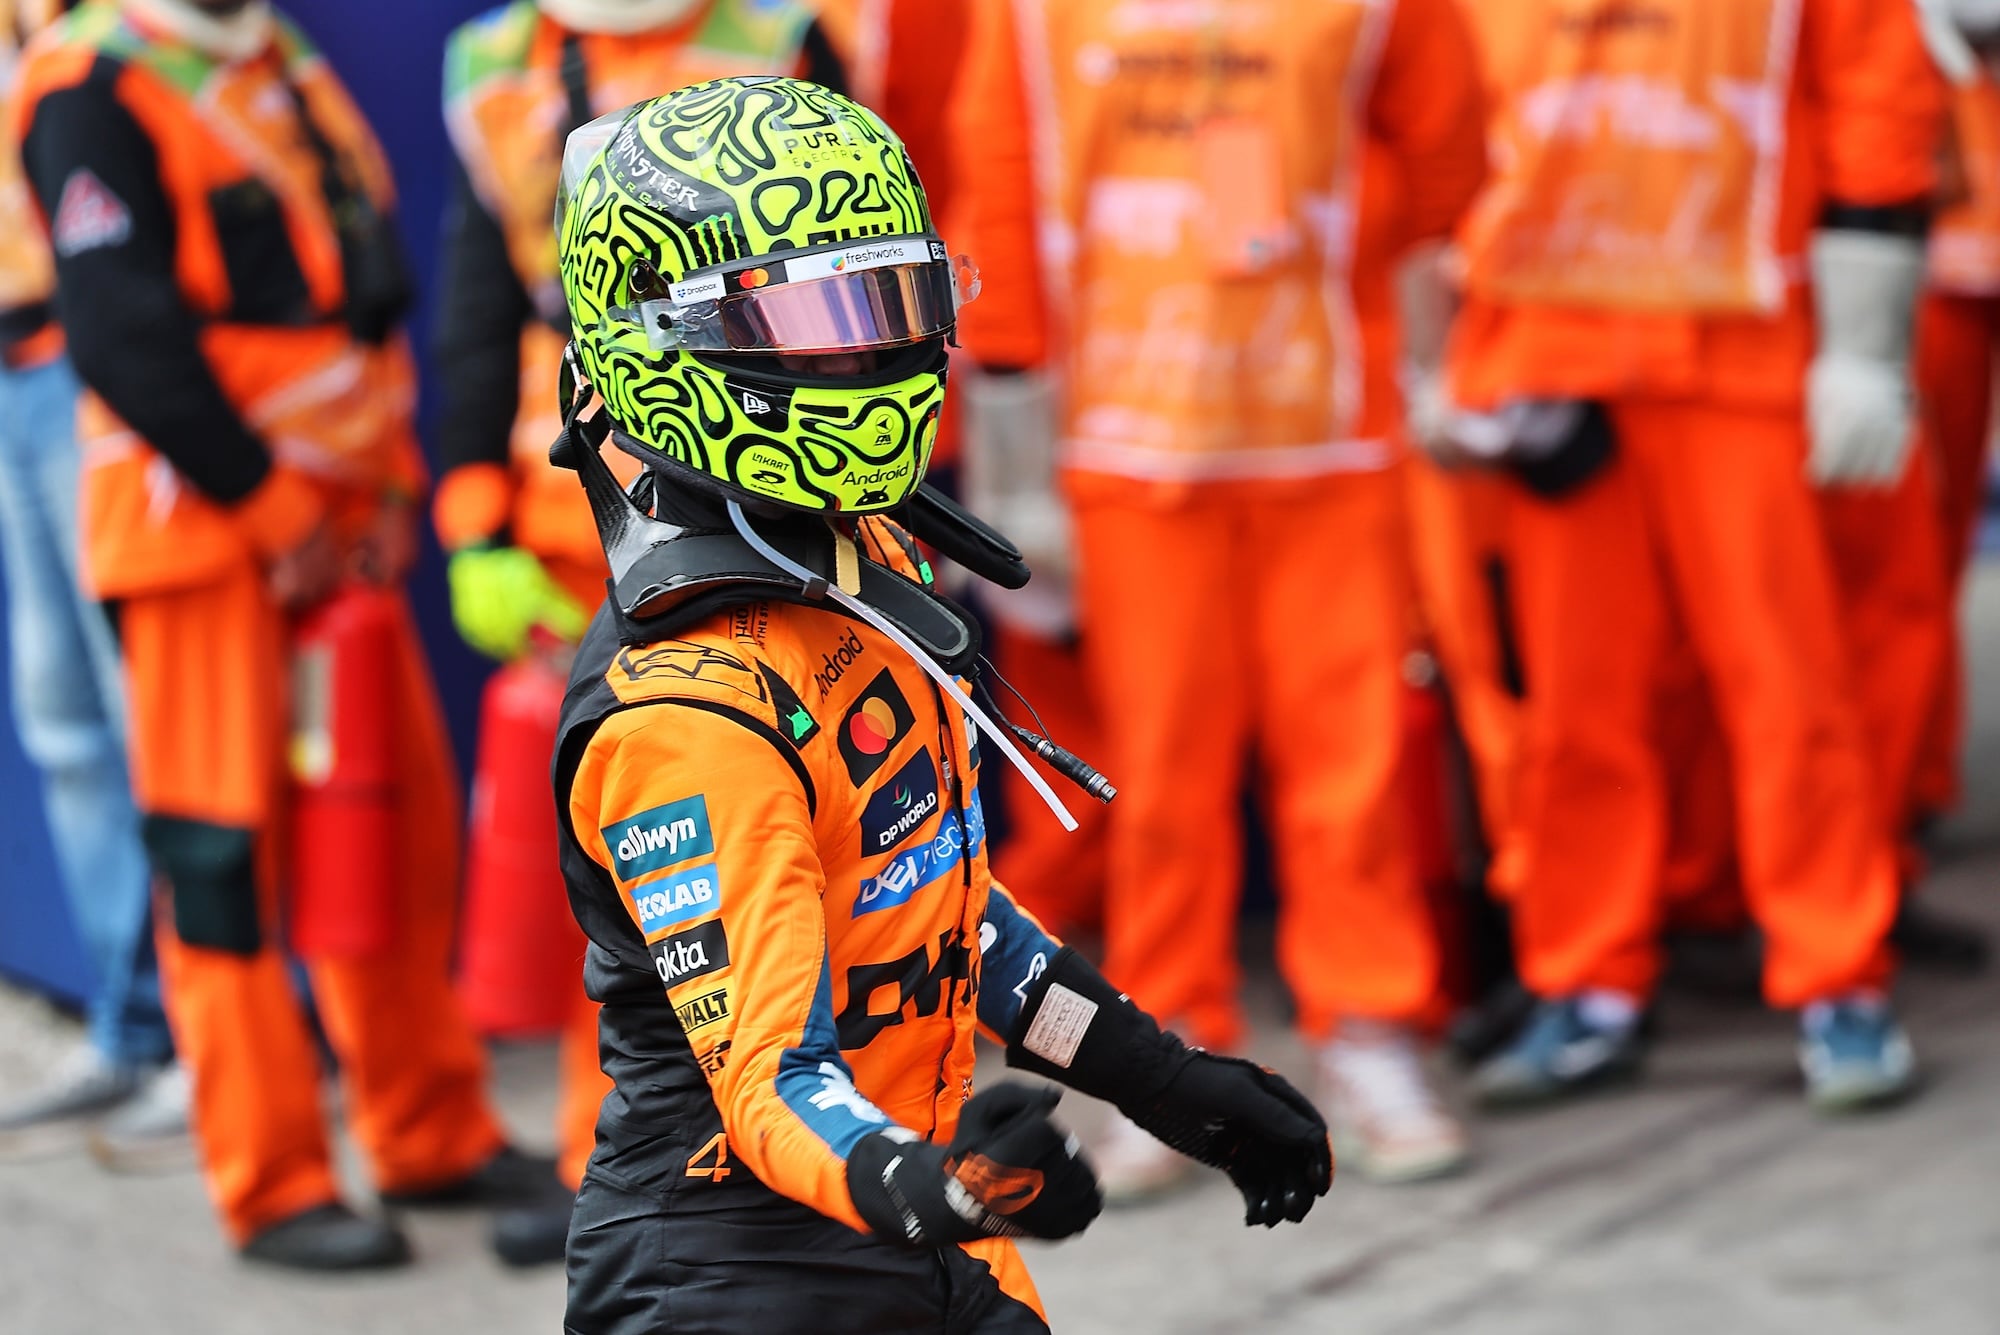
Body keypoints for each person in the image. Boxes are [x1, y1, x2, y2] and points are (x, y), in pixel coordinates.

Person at [547, 77, 1331, 1333]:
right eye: (819, 320)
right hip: (734, 1274)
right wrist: (942, 1187)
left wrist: (1162, 1079)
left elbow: (931, 912)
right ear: (665, 342)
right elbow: (770, 1079)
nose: (870, 356)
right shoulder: (690, 719)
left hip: (908, 1230)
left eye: (890, 304)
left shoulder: (860, 567)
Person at [15, 0, 550, 1269]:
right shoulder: (88, 80)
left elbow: (352, 292)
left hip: (342, 539)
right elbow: (119, 331)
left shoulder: (265, 48)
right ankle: (271, 1182)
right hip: (203, 539)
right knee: (220, 865)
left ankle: (429, 1129)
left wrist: (375, 503)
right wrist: (272, 510)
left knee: (391, 829)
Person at [948, 0, 1488, 1191]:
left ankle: (1366, 1028)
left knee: (1348, 764)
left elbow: (1446, 148)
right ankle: (1166, 1059)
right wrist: (1017, 465)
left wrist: (1401, 320)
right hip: (1132, 444)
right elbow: (1001, 189)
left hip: (1328, 430)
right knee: (1160, 775)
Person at [1446, 0, 1946, 1112]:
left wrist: (1864, 343)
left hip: (1739, 342)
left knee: (1787, 685)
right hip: (1556, 352)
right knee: (1576, 703)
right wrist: (1447, 356)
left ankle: (1835, 977)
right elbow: (1426, 116)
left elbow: (1872, 89)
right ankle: (1585, 978)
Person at [433, 0, 858, 1268]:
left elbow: (870, 279)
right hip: (575, 512)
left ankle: (803, 1138)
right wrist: (473, 525)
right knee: (628, 875)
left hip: (768, 498)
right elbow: (475, 303)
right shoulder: (494, 65)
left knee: (791, 838)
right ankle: (609, 1164)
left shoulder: (784, 34)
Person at [0, 0, 186, 1165]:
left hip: (89, 364)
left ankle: (207, 1038)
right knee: (65, 717)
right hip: (12, 374)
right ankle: (130, 1025)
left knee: (151, 716)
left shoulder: (115, 28)